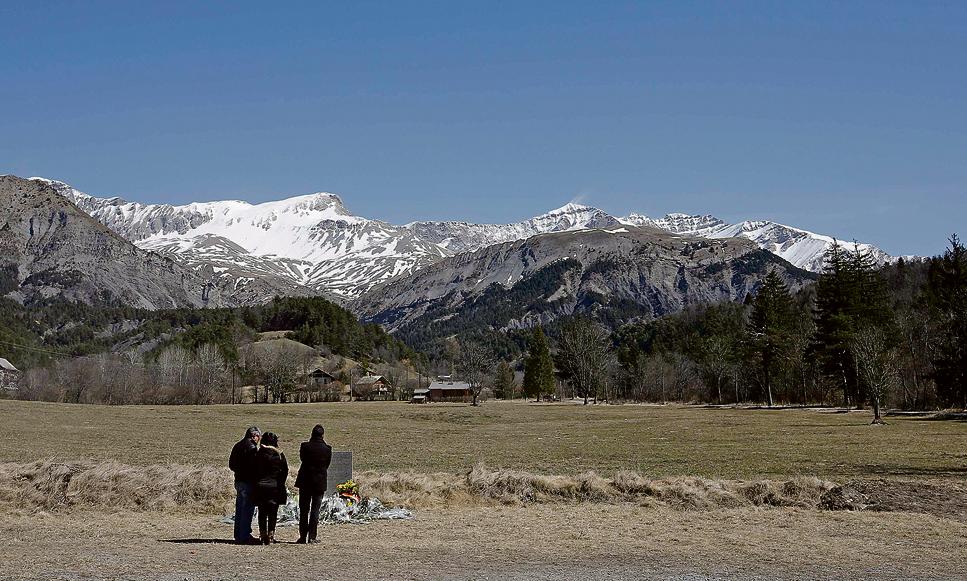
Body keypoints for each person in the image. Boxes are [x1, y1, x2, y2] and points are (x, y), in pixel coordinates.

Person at [295, 424, 332, 544]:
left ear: (312, 434)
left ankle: (302, 536)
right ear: (322, 435)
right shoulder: (327, 449)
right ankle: (312, 536)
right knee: (315, 510)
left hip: (305, 481)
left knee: (304, 510)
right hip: (319, 482)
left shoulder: (305, 446)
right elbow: (327, 464)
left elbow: (302, 459)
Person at [252, 432, 288, 545]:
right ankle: (271, 535)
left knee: (262, 512)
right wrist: (280, 482)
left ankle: (263, 535)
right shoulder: (280, 455)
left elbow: (253, 470)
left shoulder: (258, 454)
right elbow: (285, 471)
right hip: (275, 487)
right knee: (273, 512)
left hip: (261, 486)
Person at [228, 426, 261, 545]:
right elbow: (255, 466)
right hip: (248, 481)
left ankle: (238, 534)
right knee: (247, 509)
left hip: (238, 480)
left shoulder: (237, 445)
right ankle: (245, 535)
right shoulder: (252, 448)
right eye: (258, 437)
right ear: (254, 436)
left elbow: (231, 465)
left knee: (240, 508)